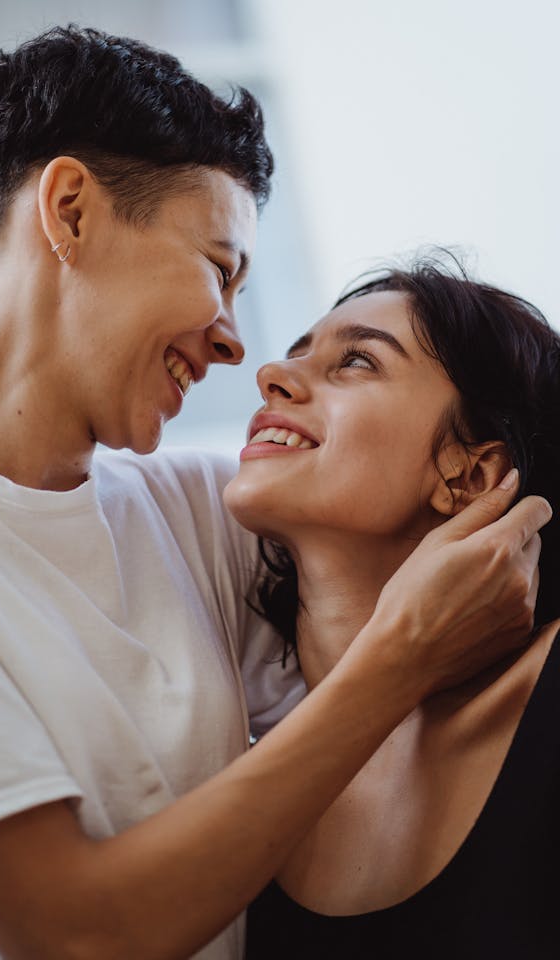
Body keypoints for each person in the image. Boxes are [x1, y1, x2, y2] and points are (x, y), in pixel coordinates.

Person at [0, 25, 548, 960]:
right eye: (220, 270)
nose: (235, 348)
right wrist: (397, 660)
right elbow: (75, 935)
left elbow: (400, 530)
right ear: (70, 211)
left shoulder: (201, 512)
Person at [224, 257, 560, 959]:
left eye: (355, 362)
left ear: (470, 476)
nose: (271, 377)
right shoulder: (234, 778)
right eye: (294, 355)